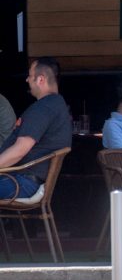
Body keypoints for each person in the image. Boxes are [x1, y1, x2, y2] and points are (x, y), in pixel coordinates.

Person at [0, 57, 72, 199]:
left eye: (30, 76)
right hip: (23, 180)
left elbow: (19, 151)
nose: (27, 79)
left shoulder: (43, 108)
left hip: (21, 182)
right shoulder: (56, 104)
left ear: (40, 79)